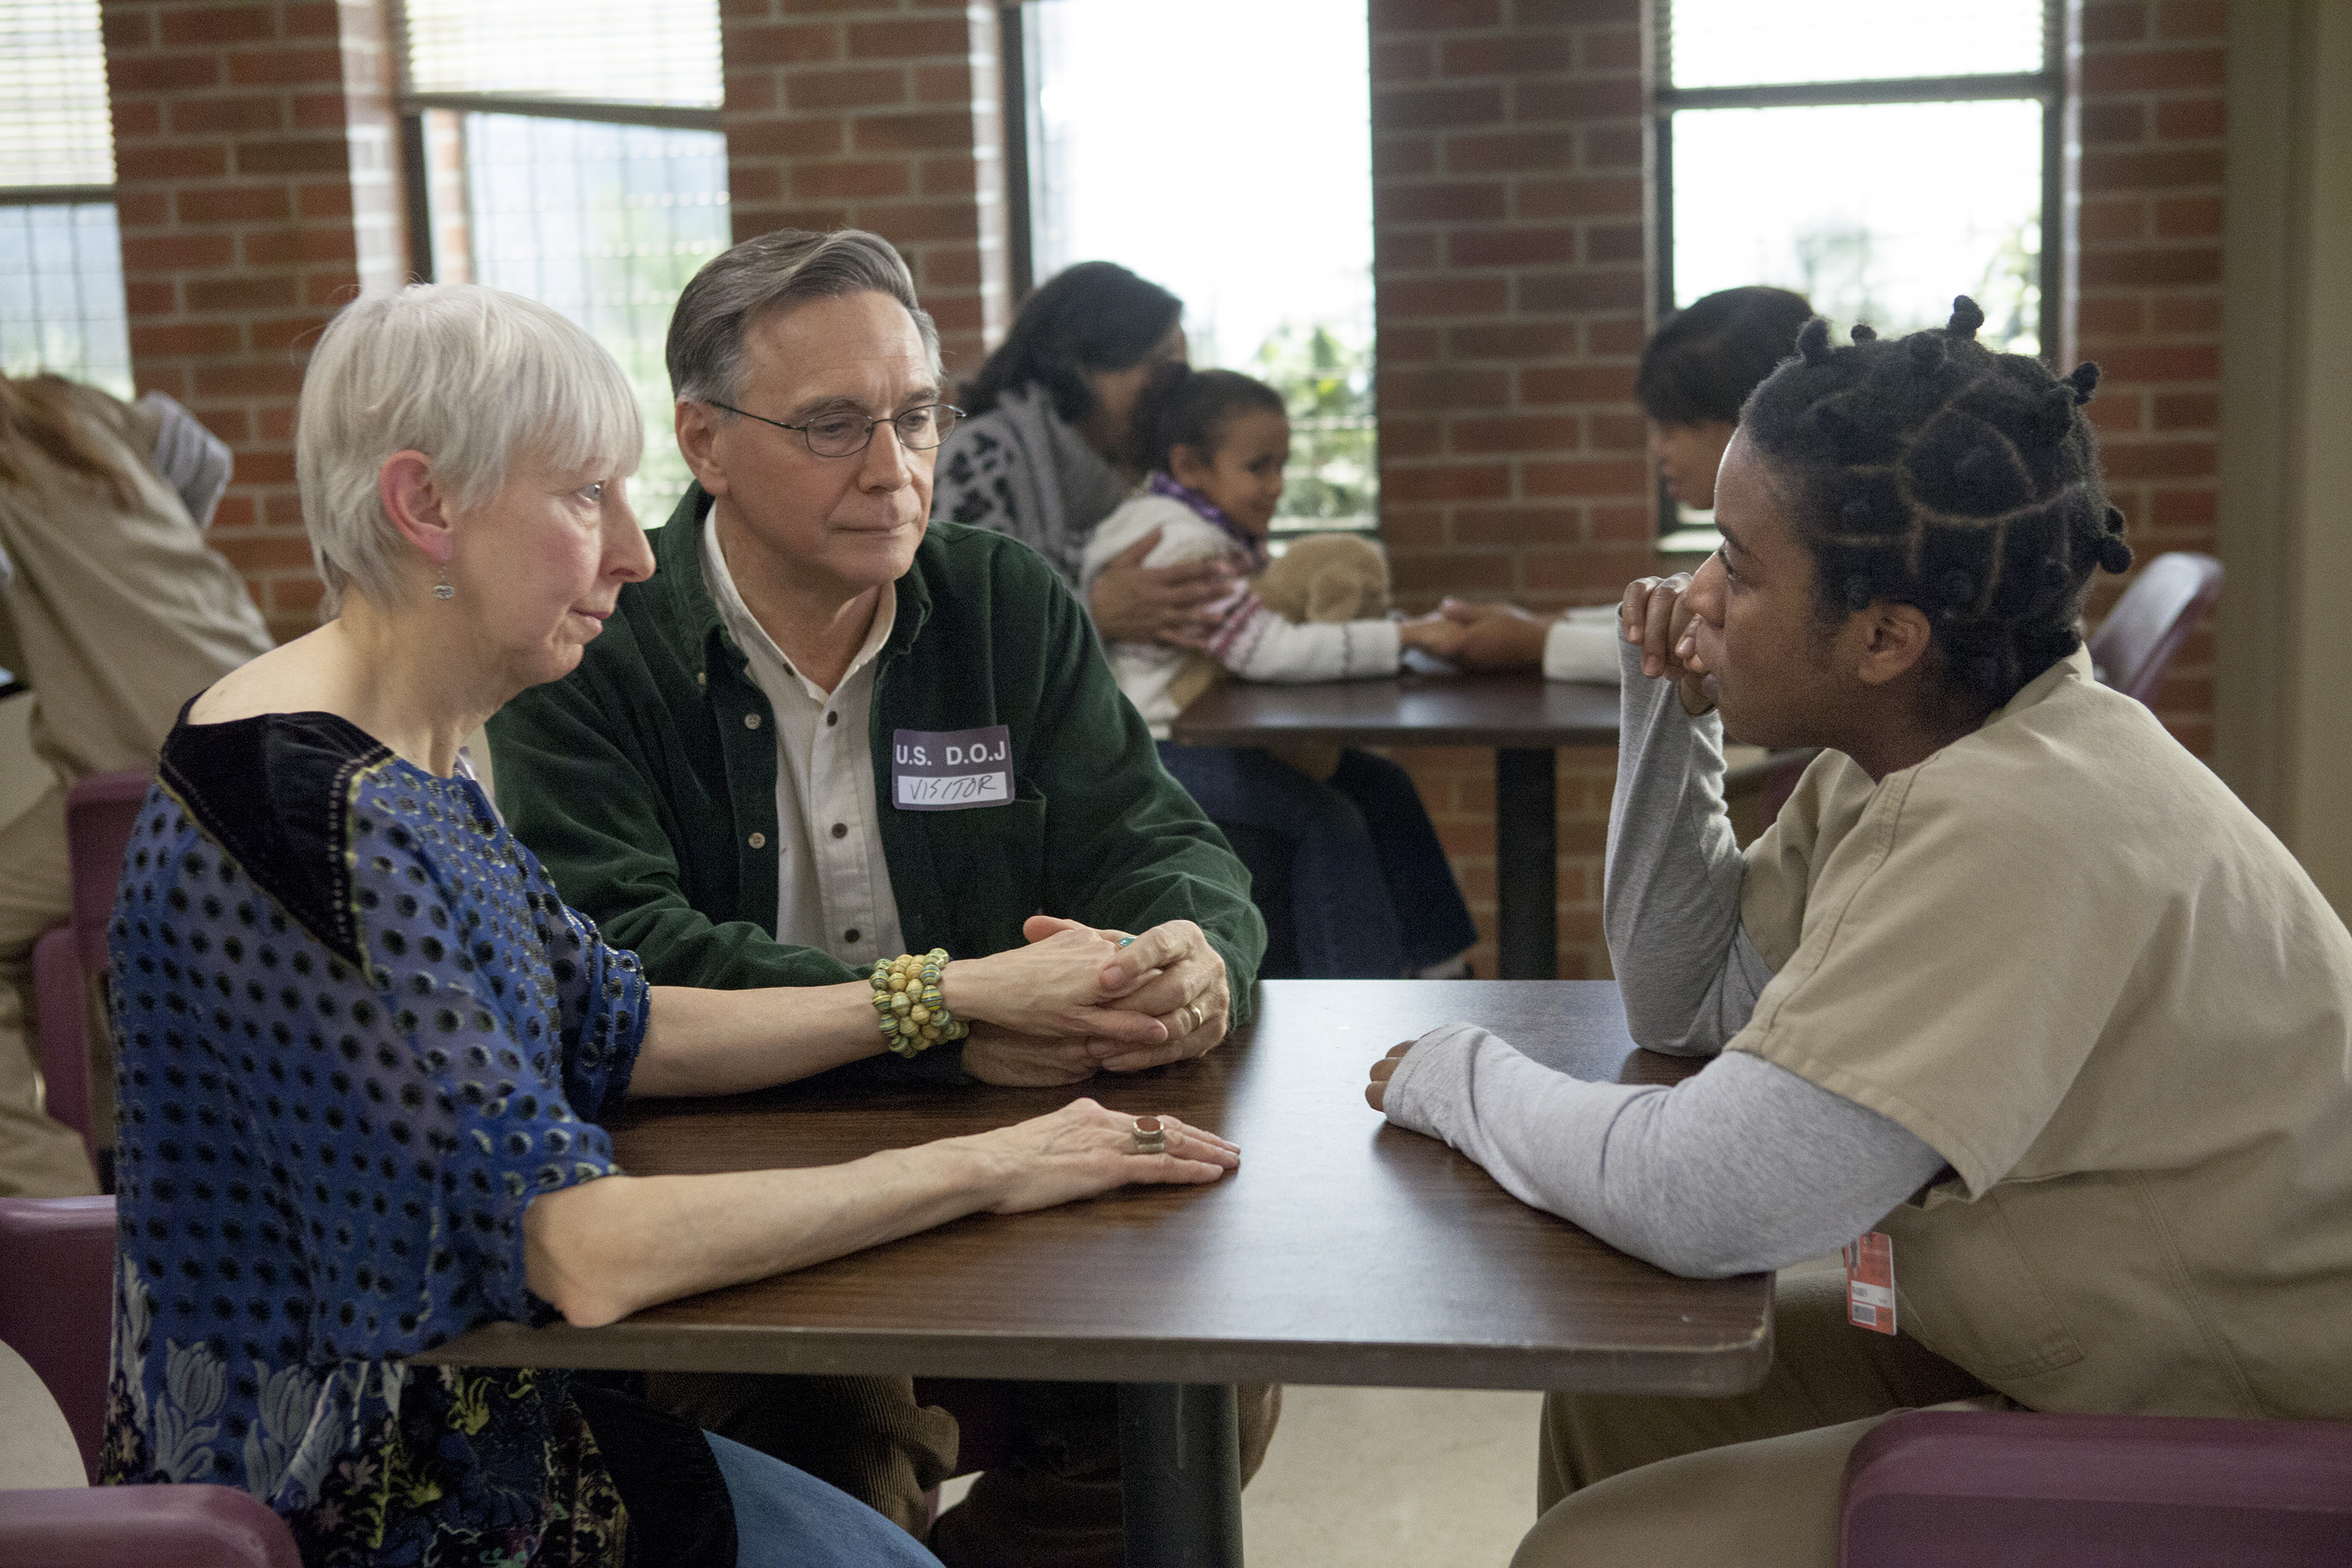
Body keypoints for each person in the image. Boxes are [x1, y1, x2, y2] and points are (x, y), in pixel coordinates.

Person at [98, 281, 1241, 1568]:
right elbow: (580, 1251)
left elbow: (621, 1019)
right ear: (426, 508)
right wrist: (1000, 1162)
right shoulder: (315, 811)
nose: (636, 553)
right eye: (585, 498)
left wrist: (955, 996)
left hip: (478, 1411)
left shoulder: (407, 754)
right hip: (381, 1494)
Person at [1364, 299, 2352, 1566]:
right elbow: (1692, 1000)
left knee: (1595, 1552)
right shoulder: (1919, 749)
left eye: (1740, 563)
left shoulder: (2021, 823)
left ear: (1886, 637)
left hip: (2255, 1428)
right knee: (1626, 1392)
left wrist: (1460, 1075)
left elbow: (1704, 1197)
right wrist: (1665, 705)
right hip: (2072, 1325)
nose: (1699, 590)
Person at [485, 229, 1272, 1567]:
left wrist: (1189, 955)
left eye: (916, 416)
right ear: (705, 441)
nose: (894, 468)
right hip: (728, 1179)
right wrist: (951, 1023)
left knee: (1194, 1388)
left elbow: (1156, 839)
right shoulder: (602, 639)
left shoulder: (1003, 603)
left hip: (1004, 1150)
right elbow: (626, 958)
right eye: (833, 425)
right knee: (840, 1443)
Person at [1079, 364, 1475, 978]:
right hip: (1157, 753)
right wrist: (1402, 637)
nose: (1276, 486)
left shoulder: (1192, 527)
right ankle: (1357, 1007)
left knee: (1382, 783)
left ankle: (1445, 970)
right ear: (1189, 467)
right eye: (1257, 467)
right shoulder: (1182, 547)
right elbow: (1268, 651)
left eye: (1282, 466)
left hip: (1178, 741)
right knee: (1326, 818)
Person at [0, 372, 272, 1196]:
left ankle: (56, 1206)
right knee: (73, 939)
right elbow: (202, 454)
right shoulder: (61, 408)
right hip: (274, 727)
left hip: (151, 789)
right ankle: (124, 1147)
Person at [1433, 285, 1815, 674]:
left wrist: (1536, 640)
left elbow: (1710, 649)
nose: (1656, 448)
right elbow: (1675, 626)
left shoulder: (1801, 539)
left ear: (1745, 420)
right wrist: (1541, 626)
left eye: (1670, 427)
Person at [931, 260, 1236, 647]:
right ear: (1082, 366)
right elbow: (952, 620)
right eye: (1160, 366)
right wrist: (1091, 610)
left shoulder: (1144, 467)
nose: (1176, 389)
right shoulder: (982, 455)